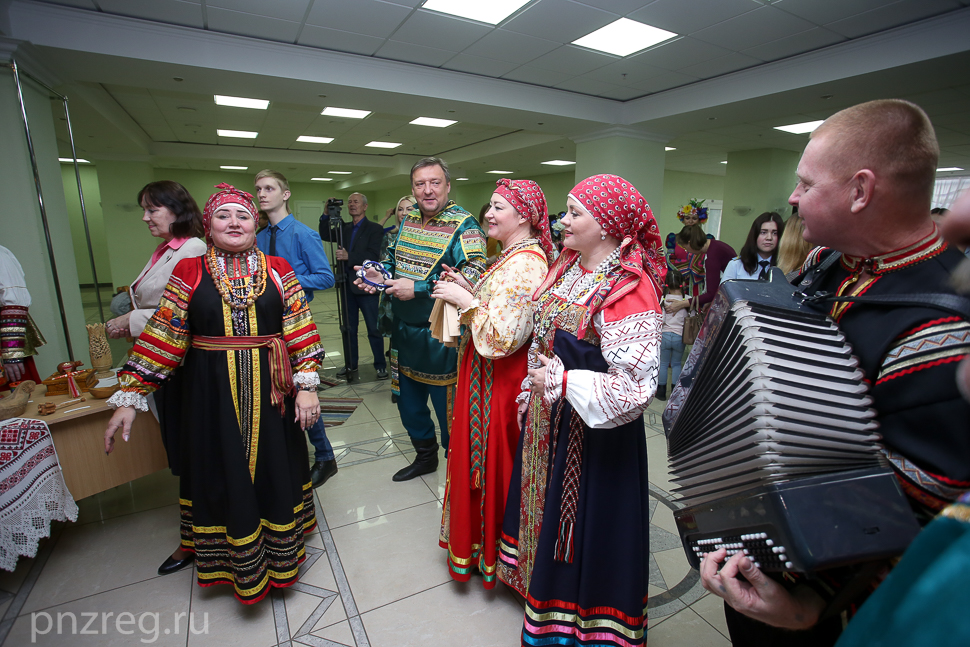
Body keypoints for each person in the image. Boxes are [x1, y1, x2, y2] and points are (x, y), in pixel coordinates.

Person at [699, 99, 970, 646]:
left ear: (861, 190)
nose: (793, 198)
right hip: (760, 543)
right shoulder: (827, 264)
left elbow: (912, 508)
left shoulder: (939, 322)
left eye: (805, 183)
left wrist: (812, 603)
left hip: (833, 606)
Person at [103, 183, 326, 604]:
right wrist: (130, 396)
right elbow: (165, 336)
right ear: (208, 224)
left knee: (274, 467)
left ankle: (279, 559)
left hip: (273, 390)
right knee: (218, 466)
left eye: (242, 215)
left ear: (254, 222)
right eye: (224, 215)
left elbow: (300, 328)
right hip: (210, 392)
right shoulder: (189, 272)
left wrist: (307, 386)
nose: (235, 222)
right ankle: (231, 561)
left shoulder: (278, 268)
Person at [498, 174, 665, 647]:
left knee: (585, 525)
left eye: (574, 213)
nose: (562, 221)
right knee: (541, 507)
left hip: (594, 434)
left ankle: (578, 622)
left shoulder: (629, 288)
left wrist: (562, 381)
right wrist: (535, 389)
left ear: (608, 226)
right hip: (551, 416)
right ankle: (541, 592)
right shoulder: (567, 267)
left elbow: (635, 388)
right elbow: (543, 335)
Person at [432, 179, 554, 588]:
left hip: (499, 381)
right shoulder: (510, 257)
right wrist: (470, 289)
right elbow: (501, 311)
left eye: (499, 207)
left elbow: (503, 338)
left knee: (494, 462)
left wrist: (467, 302)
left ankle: (495, 555)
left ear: (524, 216)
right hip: (485, 376)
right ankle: (481, 551)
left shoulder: (526, 263)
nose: (489, 213)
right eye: (491, 206)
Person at [355, 157, 486, 482]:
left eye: (435, 182)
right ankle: (424, 457)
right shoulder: (410, 217)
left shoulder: (465, 224)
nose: (427, 190)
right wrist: (378, 274)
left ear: (447, 185)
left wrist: (420, 288)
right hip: (401, 328)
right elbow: (391, 259)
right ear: (412, 188)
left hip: (443, 330)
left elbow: (475, 275)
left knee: (448, 408)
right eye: (419, 184)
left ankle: (458, 470)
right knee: (407, 401)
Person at [254, 169, 337, 489]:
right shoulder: (258, 238)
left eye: (269, 188)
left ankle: (325, 456)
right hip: (264, 329)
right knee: (276, 394)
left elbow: (326, 277)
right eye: (259, 188)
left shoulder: (302, 234)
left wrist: (283, 279)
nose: (262, 194)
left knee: (304, 391)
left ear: (285, 194)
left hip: (296, 325)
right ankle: (285, 457)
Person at [104, 181, 206, 341]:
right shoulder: (166, 248)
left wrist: (130, 319)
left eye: (152, 210)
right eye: (144, 210)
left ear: (177, 210)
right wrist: (132, 326)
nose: (145, 218)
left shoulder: (193, 249)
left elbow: (187, 313)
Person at [318, 192, 387, 381]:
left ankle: (380, 365)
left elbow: (373, 255)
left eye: (356, 202)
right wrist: (325, 214)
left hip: (366, 286)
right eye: (349, 202)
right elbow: (325, 234)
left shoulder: (374, 229)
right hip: (346, 285)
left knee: (373, 328)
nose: (351, 205)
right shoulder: (343, 228)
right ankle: (350, 364)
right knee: (349, 328)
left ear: (365, 206)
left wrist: (350, 257)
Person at [378, 195, 415, 401]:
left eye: (409, 209)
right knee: (395, 347)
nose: (403, 213)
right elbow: (384, 266)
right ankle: (396, 387)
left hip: (417, 298)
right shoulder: (389, 237)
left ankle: (416, 383)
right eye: (400, 209)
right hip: (393, 298)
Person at [0, 245, 46, 386]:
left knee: (16, 397)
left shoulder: (1, 255)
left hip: (4, 344)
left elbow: (14, 303)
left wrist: (11, 351)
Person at [721, 212, 785, 281]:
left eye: (774, 233)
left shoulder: (785, 266)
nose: (769, 238)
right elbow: (724, 291)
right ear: (755, 235)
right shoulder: (736, 265)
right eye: (763, 232)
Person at [657, 269, 687, 401]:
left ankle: (661, 392)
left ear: (666, 284)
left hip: (664, 336)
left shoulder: (663, 300)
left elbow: (661, 320)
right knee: (676, 364)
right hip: (680, 337)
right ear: (683, 283)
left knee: (663, 363)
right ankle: (675, 393)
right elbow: (690, 318)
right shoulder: (688, 300)